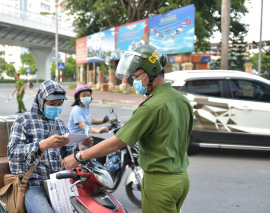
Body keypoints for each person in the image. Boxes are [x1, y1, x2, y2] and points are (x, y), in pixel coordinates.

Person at [62, 45, 194, 213]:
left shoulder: (151, 106)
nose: (135, 81)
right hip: (181, 179)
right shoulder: (181, 100)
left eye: (137, 76)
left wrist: (79, 156)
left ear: (151, 72)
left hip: (160, 182)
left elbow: (116, 143)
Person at [7, 80, 93, 213]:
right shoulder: (23, 121)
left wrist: (81, 146)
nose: (56, 107)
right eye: (52, 104)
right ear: (41, 102)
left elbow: (68, 155)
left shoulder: (59, 124)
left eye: (59, 104)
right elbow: (12, 152)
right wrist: (41, 145)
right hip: (32, 186)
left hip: (56, 184)